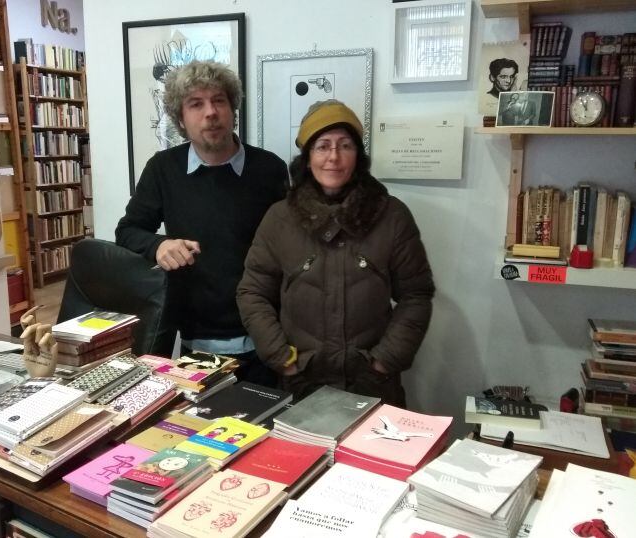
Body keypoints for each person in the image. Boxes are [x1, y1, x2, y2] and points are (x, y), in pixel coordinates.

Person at [237, 100, 434, 405]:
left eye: (345, 145)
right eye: (322, 146)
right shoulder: (280, 218)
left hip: (373, 386)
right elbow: (252, 292)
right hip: (301, 385)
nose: (334, 157)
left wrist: (382, 361)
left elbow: (417, 295)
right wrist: (283, 359)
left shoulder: (392, 215)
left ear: (358, 156)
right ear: (307, 157)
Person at [115, 61, 288, 387]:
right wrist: (159, 245)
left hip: (267, 339)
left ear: (232, 108)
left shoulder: (270, 170)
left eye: (219, 100)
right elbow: (127, 231)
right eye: (196, 104)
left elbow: (292, 250)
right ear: (180, 118)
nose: (210, 112)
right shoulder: (163, 169)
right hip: (197, 344)